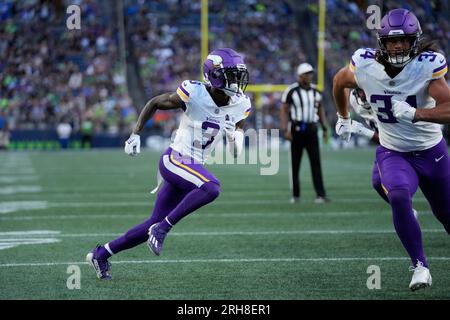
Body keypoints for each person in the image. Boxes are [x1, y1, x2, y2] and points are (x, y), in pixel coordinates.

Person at [86, 48, 251, 280]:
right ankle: (164, 228)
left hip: (192, 167)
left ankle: (101, 254)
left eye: (238, 75)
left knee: (149, 226)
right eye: (231, 75)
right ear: (214, 75)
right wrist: (135, 133)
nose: (237, 81)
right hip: (176, 159)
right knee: (211, 187)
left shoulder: (240, 103)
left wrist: (235, 138)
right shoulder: (193, 92)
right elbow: (155, 102)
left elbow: (237, 148)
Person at [333, 8, 450, 291]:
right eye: (391, 41)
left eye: (404, 40)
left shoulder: (427, 65)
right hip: (393, 151)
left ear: (415, 41)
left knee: (447, 215)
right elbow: (339, 82)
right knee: (397, 195)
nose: (398, 46)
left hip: (431, 151)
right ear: (381, 43)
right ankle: (420, 265)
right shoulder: (364, 64)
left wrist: (416, 113)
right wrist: (343, 116)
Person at [280, 63, 329, 203]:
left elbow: (320, 109)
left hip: (312, 129)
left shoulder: (316, 91)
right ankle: (296, 195)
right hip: (296, 129)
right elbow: (284, 110)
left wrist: (324, 128)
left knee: (316, 163)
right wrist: (285, 129)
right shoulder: (292, 90)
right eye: (306, 73)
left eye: (310, 73)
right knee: (295, 164)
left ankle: (321, 194)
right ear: (300, 75)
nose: (309, 76)